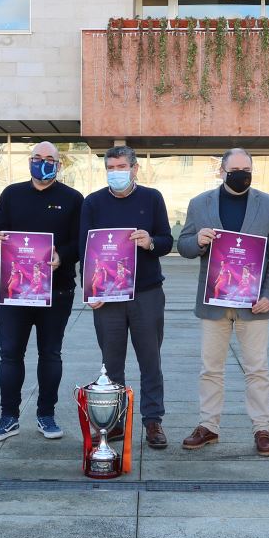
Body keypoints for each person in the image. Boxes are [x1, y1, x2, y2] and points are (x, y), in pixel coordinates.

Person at [176, 148, 269, 457]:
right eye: (235, 169)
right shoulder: (200, 204)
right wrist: (197, 241)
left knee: (257, 369)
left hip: (254, 304)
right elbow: (183, 246)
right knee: (210, 368)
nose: (242, 174)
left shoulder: (266, 204)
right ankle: (208, 426)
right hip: (214, 301)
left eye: (247, 169)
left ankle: (262, 429)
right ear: (222, 171)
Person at [0, 141, 84, 442]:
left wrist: (61, 256)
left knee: (50, 354)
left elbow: (80, 243)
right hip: (16, 291)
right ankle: (8, 416)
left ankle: (46, 414)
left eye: (49, 159)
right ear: (29, 161)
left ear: (59, 164)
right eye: (37, 158)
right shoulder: (12, 194)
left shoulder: (73, 198)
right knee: (10, 354)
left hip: (57, 291)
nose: (43, 163)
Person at [78, 145, 174, 448]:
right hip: (108, 297)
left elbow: (166, 240)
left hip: (146, 293)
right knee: (111, 363)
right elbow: (85, 249)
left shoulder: (152, 198)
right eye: (111, 167)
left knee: (150, 361)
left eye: (121, 167)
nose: (116, 172)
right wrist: (90, 289)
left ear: (134, 169)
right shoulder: (93, 202)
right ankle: (114, 422)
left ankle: (153, 421)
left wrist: (149, 242)